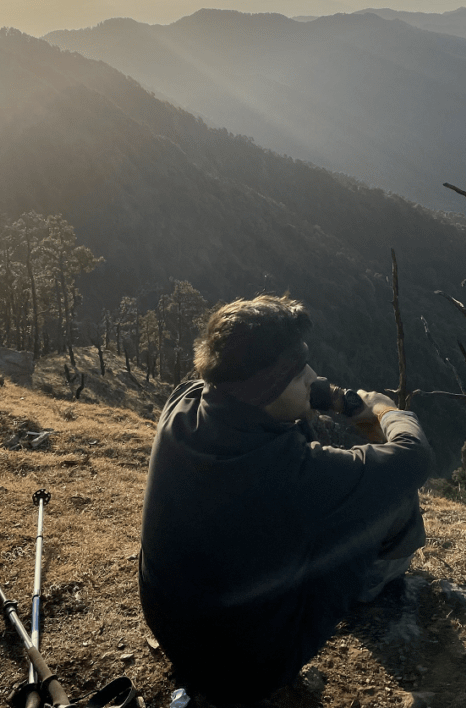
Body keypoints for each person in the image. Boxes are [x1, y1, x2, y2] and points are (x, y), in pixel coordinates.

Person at [138, 295, 434, 705]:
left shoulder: (185, 404)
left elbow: (277, 405)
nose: (313, 374)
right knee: (391, 497)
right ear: (272, 385)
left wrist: (333, 400)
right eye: (300, 370)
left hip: (180, 637)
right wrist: (384, 412)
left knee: (321, 477)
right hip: (251, 669)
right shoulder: (291, 471)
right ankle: (374, 586)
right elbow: (414, 458)